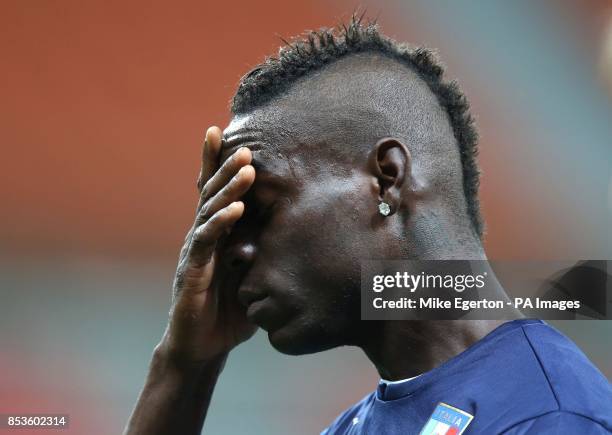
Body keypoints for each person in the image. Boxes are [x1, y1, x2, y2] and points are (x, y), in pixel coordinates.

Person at [124, 18, 612, 434]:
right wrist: (184, 367)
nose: (233, 252)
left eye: (261, 210)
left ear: (386, 179)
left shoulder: (549, 415)